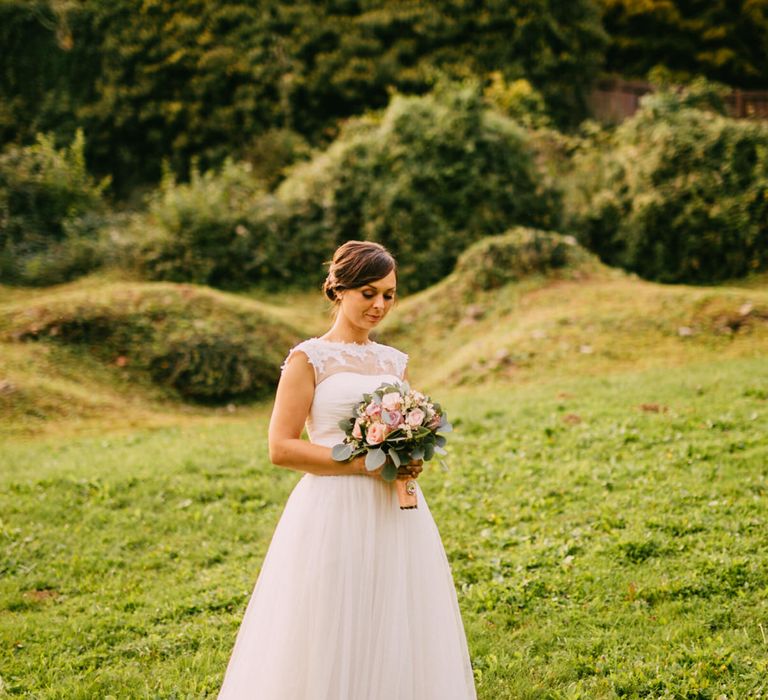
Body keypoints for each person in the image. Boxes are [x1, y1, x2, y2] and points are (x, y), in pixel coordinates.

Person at [217, 240, 477, 699]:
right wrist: (362, 464)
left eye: (389, 295)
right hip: (331, 508)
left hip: (395, 512)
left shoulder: (393, 362)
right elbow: (281, 447)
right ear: (339, 290)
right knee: (331, 620)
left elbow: (402, 427)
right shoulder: (308, 358)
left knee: (396, 615)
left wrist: (408, 456)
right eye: (368, 293)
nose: (379, 305)